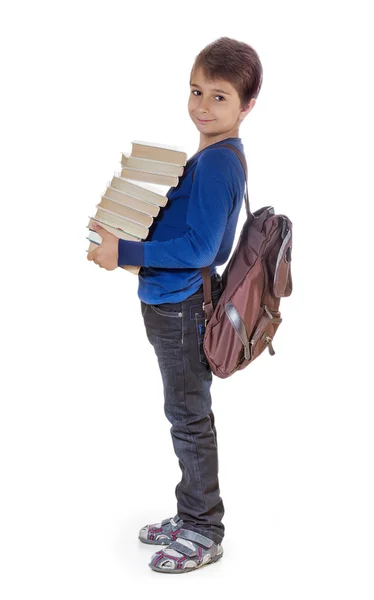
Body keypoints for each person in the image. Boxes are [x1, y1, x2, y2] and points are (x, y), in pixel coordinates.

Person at [87, 36, 263, 574]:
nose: (203, 107)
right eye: (196, 91)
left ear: (247, 106)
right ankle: (191, 515)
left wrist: (125, 251)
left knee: (189, 417)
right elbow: (187, 231)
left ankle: (205, 528)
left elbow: (203, 249)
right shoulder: (210, 154)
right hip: (170, 302)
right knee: (182, 412)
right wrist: (126, 231)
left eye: (219, 97)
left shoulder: (218, 163)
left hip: (183, 307)